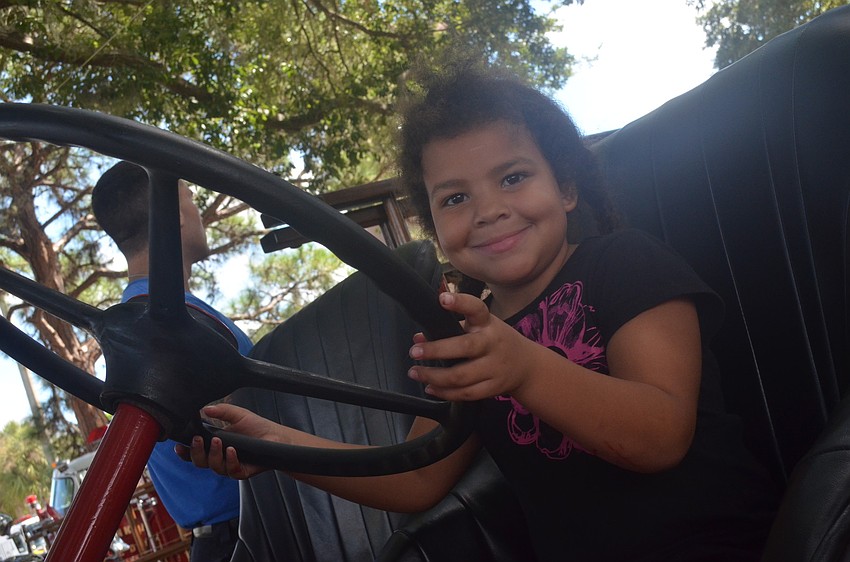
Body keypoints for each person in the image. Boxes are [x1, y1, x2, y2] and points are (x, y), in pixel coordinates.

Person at [182, 59, 779, 560]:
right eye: (457, 197)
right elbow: (416, 475)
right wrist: (274, 443)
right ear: (436, 228)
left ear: (566, 189)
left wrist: (525, 368)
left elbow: (661, 436)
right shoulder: (463, 336)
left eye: (514, 177)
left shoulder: (627, 264)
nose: (489, 209)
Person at [92, 161, 252, 562]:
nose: (197, 210)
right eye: (191, 199)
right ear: (176, 217)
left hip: (219, 539)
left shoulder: (135, 320)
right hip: (250, 532)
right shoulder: (179, 325)